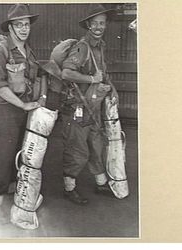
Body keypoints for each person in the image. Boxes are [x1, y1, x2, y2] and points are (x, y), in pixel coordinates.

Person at [0, 4, 46, 207]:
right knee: (5, 153)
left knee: (19, 149)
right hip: (4, 108)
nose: (24, 29)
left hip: (22, 108)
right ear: (9, 27)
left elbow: (39, 75)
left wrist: (41, 99)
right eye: (19, 25)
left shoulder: (28, 51)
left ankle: (11, 189)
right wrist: (23, 105)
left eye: (26, 24)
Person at [61, 4, 119, 205]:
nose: (98, 27)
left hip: (94, 107)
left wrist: (112, 88)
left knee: (96, 145)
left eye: (102, 23)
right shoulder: (82, 46)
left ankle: (101, 183)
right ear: (88, 25)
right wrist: (93, 79)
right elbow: (66, 73)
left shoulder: (100, 45)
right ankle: (69, 188)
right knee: (78, 150)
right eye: (94, 23)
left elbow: (103, 73)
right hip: (78, 107)